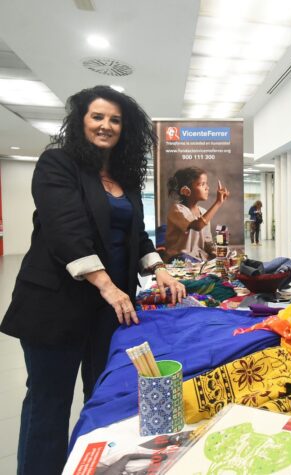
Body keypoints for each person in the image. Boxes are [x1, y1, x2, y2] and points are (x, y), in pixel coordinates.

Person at [0, 85, 187, 474]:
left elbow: (135, 236)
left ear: (126, 129)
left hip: (109, 310)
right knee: (47, 404)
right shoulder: (58, 164)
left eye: (115, 120)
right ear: (80, 121)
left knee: (102, 398)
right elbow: (65, 230)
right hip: (56, 305)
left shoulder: (125, 178)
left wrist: (160, 268)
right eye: (97, 117)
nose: (106, 125)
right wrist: (106, 285)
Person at [164, 166, 229, 262]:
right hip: (179, 258)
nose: (207, 187)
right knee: (182, 258)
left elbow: (208, 241)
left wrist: (216, 252)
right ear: (186, 191)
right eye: (202, 184)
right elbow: (197, 225)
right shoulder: (177, 210)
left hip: (197, 258)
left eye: (206, 184)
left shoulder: (203, 212)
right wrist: (218, 202)